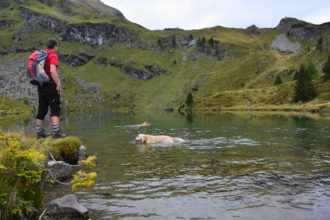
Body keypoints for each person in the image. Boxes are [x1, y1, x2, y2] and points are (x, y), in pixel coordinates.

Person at [35, 39, 66, 139]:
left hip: (41, 85)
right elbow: (52, 71)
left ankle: (39, 132)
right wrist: (58, 83)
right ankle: (56, 132)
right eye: (57, 46)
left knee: (42, 109)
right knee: (55, 108)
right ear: (55, 46)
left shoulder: (41, 55)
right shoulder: (53, 55)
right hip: (50, 85)